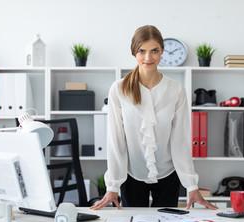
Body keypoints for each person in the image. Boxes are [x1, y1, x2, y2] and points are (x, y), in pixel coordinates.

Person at [90, 25, 217, 210]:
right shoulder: (119, 89)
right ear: (134, 52)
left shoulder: (176, 90)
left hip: (168, 175)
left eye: (154, 51)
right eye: (142, 51)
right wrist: (113, 185)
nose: (148, 58)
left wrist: (192, 185)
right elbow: (116, 140)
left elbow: (180, 140)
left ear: (162, 51)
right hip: (132, 175)